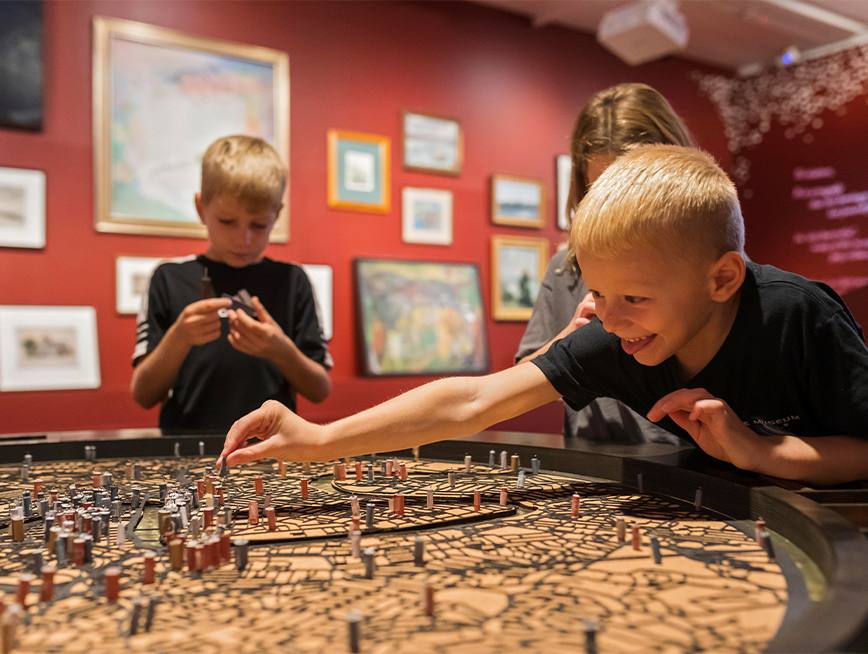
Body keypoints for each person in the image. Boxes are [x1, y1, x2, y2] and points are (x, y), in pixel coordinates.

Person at [221, 146, 868, 485]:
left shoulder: (798, 315)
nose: (609, 318)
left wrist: (759, 452)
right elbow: (473, 401)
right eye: (598, 292)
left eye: (634, 298)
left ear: (722, 279)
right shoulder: (620, 334)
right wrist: (319, 439)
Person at [515, 83, 693, 444]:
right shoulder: (564, 267)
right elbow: (521, 378)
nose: (619, 209)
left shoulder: (705, 264)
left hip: (686, 463)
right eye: (602, 192)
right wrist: (568, 343)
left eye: (634, 191)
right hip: (591, 461)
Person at [131, 135, 332, 434]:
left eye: (259, 225)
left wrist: (280, 349)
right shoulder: (168, 277)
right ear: (201, 208)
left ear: (277, 215)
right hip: (190, 447)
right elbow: (143, 395)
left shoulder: (292, 281)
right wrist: (179, 338)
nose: (243, 239)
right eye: (227, 221)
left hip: (271, 448)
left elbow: (319, 390)